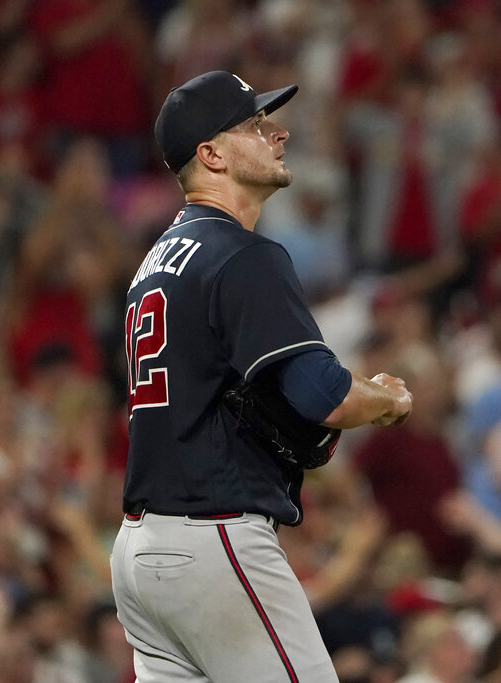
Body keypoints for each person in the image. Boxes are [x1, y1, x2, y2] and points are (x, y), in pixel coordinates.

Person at [109, 70, 413, 683]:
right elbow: (320, 394)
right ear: (212, 154)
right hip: (212, 539)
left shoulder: (157, 259)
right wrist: (385, 399)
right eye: (254, 124)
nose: (279, 133)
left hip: (141, 551)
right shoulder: (242, 254)